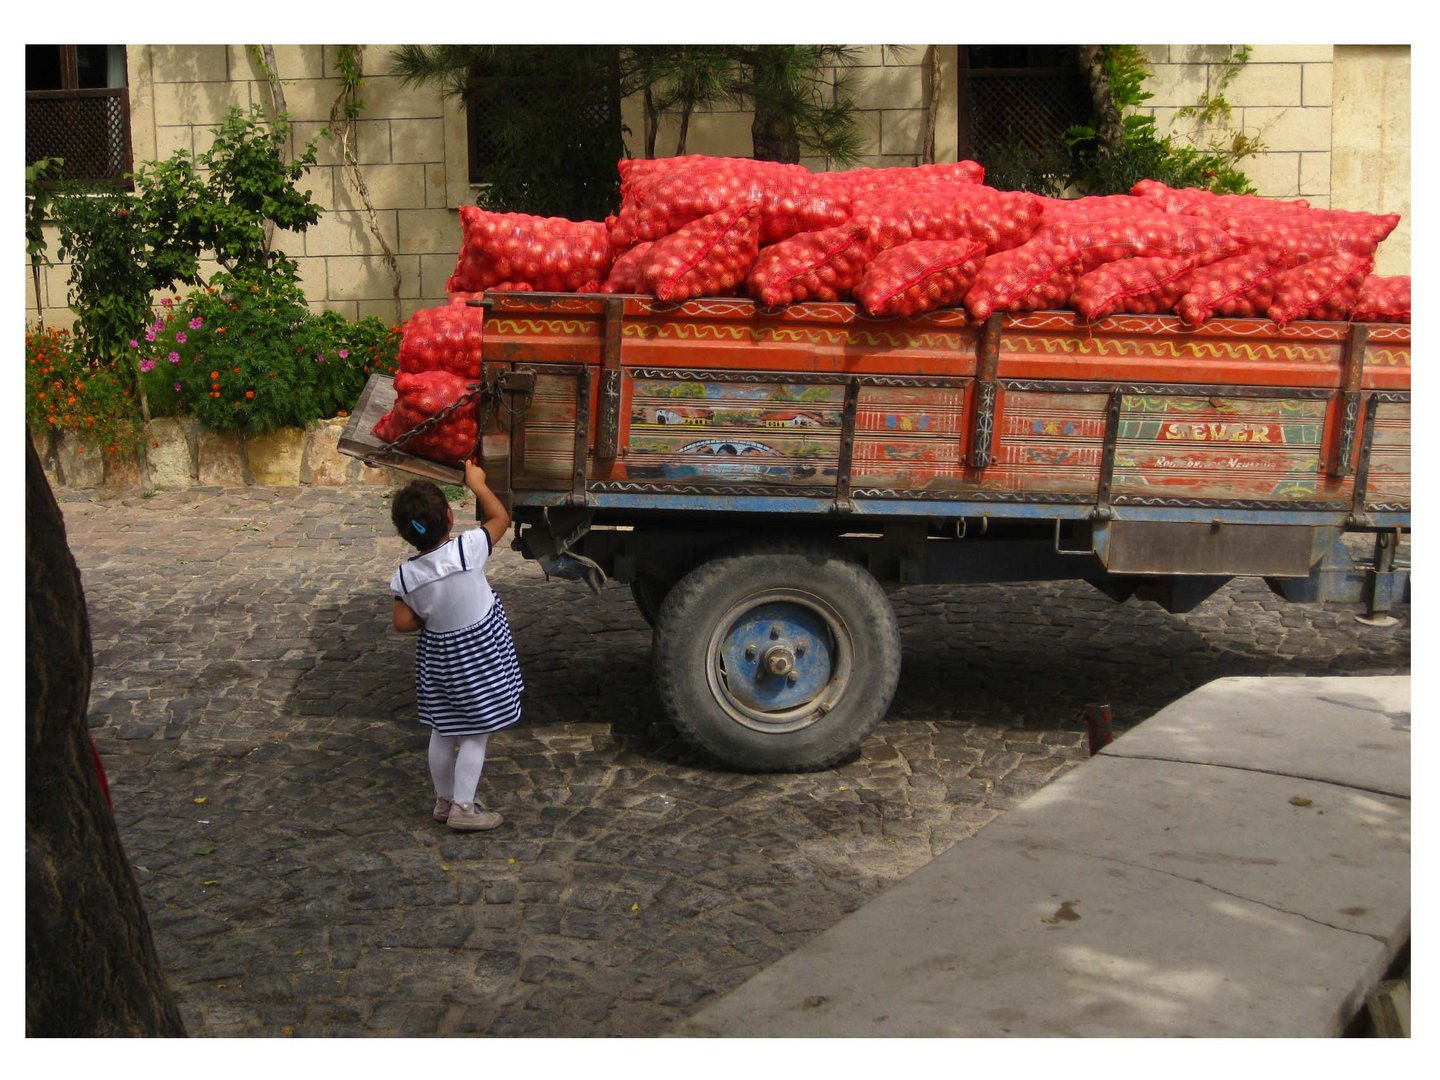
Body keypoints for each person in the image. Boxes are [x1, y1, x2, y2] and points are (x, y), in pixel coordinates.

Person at [388, 460, 523, 831]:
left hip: (440, 661)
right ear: (449, 517)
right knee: (476, 734)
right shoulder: (468, 549)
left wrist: (428, 611)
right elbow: (500, 518)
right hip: (479, 657)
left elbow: (402, 623)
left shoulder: (406, 576)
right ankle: (464, 808)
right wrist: (477, 483)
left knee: (444, 731)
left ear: (406, 535)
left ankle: (444, 800)